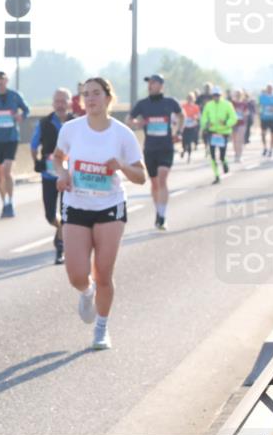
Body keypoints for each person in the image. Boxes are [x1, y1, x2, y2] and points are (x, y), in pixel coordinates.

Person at [53, 77, 146, 350]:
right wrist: (62, 174)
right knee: (76, 275)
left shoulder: (122, 134)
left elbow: (141, 176)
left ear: (108, 97)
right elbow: (58, 157)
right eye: (86, 94)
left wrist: (121, 166)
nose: (90, 98)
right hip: (76, 204)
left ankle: (102, 329)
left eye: (95, 93)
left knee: (104, 274)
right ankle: (86, 291)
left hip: (110, 207)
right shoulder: (71, 129)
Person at [128, 74, 181, 230]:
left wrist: (179, 132)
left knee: (162, 178)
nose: (150, 85)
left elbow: (181, 115)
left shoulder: (170, 102)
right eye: (149, 83)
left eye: (153, 83)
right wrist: (137, 123)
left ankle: (162, 215)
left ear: (161, 85)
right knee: (154, 183)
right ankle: (158, 210)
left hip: (166, 147)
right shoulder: (143, 104)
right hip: (150, 149)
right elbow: (129, 119)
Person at [29, 88, 74, 264]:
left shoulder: (77, 123)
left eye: (63, 101)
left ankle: (60, 247)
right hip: (49, 175)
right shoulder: (44, 123)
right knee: (50, 215)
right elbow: (33, 145)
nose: (60, 105)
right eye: (57, 101)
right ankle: (61, 230)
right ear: (53, 103)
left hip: (70, 177)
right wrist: (37, 161)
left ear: (69, 103)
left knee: (66, 212)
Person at [0, 71, 30, 218]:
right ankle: (5, 203)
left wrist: (21, 116)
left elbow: (27, 109)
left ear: (7, 80)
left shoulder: (15, 95)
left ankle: (11, 201)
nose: (0, 82)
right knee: (0, 174)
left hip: (11, 138)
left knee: (7, 171)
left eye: (2, 79)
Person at [200, 86, 237, 184]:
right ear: (212, 96)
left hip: (223, 133)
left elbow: (234, 118)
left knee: (222, 155)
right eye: (214, 95)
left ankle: (224, 162)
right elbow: (203, 117)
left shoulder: (227, 104)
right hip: (212, 132)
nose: (216, 97)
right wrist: (206, 124)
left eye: (218, 95)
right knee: (212, 155)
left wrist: (226, 123)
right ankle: (216, 175)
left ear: (221, 95)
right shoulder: (208, 105)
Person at [258, 83, 273, 158]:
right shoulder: (262, 97)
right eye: (268, 88)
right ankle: (265, 147)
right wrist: (259, 112)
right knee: (263, 134)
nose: (269, 89)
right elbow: (259, 106)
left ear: (272, 89)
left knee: (272, 134)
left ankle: (271, 149)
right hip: (264, 118)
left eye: (270, 88)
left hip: (272, 118)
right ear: (266, 89)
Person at [180, 92, 201, 163]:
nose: (190, 99)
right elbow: (180, 115)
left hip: (192, 126)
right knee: (184, 141)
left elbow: (199, 116)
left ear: (194, 99)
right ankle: (184, 150)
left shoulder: (196, 107)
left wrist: (196, 118)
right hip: (185, 126)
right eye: (189, 98)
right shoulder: (183, 106)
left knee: (189, 142)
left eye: (191, 98)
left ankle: (189, 156)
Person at [230, 89, 248, 163]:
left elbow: (246, 114)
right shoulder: (232, 103)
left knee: (239, 140)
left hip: (241, 124)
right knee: (234, 141)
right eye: (237, 94)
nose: (238, 95)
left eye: (239, 94)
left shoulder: (244, 104)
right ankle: (236, 154)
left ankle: (239, 155)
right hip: (233, 123)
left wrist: (243, 114)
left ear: (242, 95)